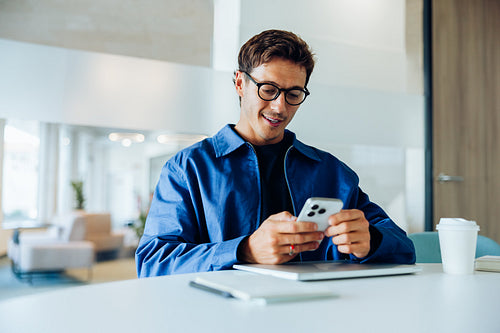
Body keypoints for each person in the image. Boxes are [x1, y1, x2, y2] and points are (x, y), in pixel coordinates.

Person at [136, 29, 415, 277]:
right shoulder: (188, 169)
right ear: (239, 83)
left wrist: (373, 240)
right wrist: (244, 250)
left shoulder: (331, 171)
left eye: (293, 94)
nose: (280, 107)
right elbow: (152, 263)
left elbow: (404, 248)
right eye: (268, 89)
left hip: (317, 313)